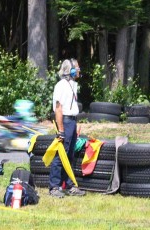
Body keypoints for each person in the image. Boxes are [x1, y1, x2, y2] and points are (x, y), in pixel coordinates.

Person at [49, 58, 86, 198]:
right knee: (60, 156)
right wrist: (61, 130)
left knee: (69, 155)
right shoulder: (61, 86)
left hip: (71, 122)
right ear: (69, 70)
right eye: (76, 68)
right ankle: (54, 187)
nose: (78, 70)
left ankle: (69, 185)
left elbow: (71, 107)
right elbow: (59, 109)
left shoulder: (72, 85)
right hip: (64, 121)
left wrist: (74, 125)